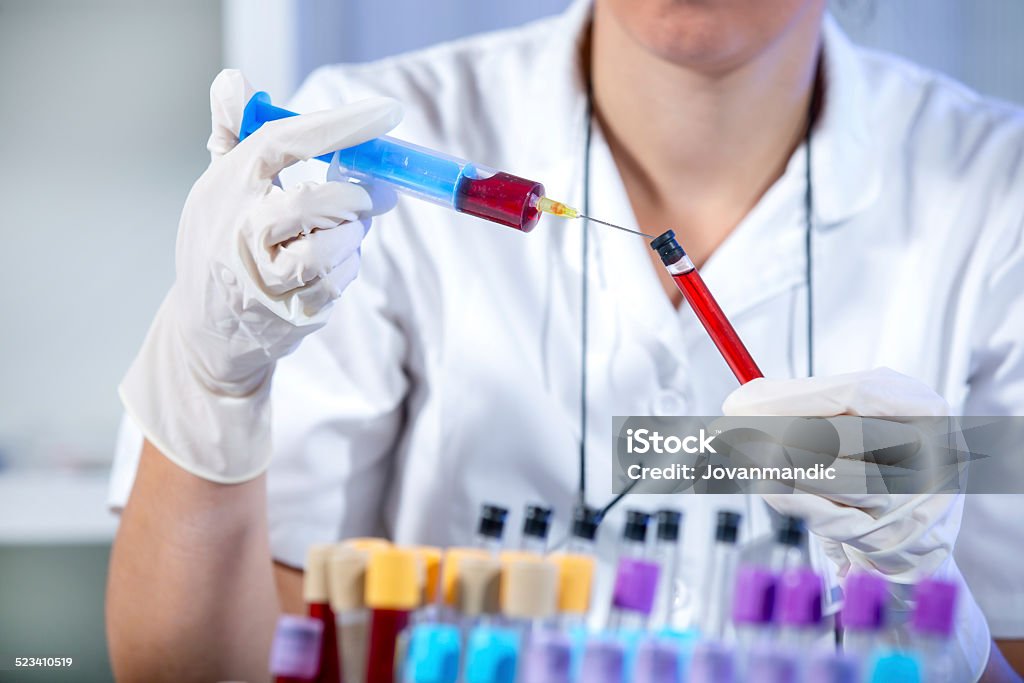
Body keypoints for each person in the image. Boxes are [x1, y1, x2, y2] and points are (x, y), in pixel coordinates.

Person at [106, 0, 1024, 680]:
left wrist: (930, 625)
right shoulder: (355, 144)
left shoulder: (994, 193)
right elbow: (194, 667)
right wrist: (211, 383)